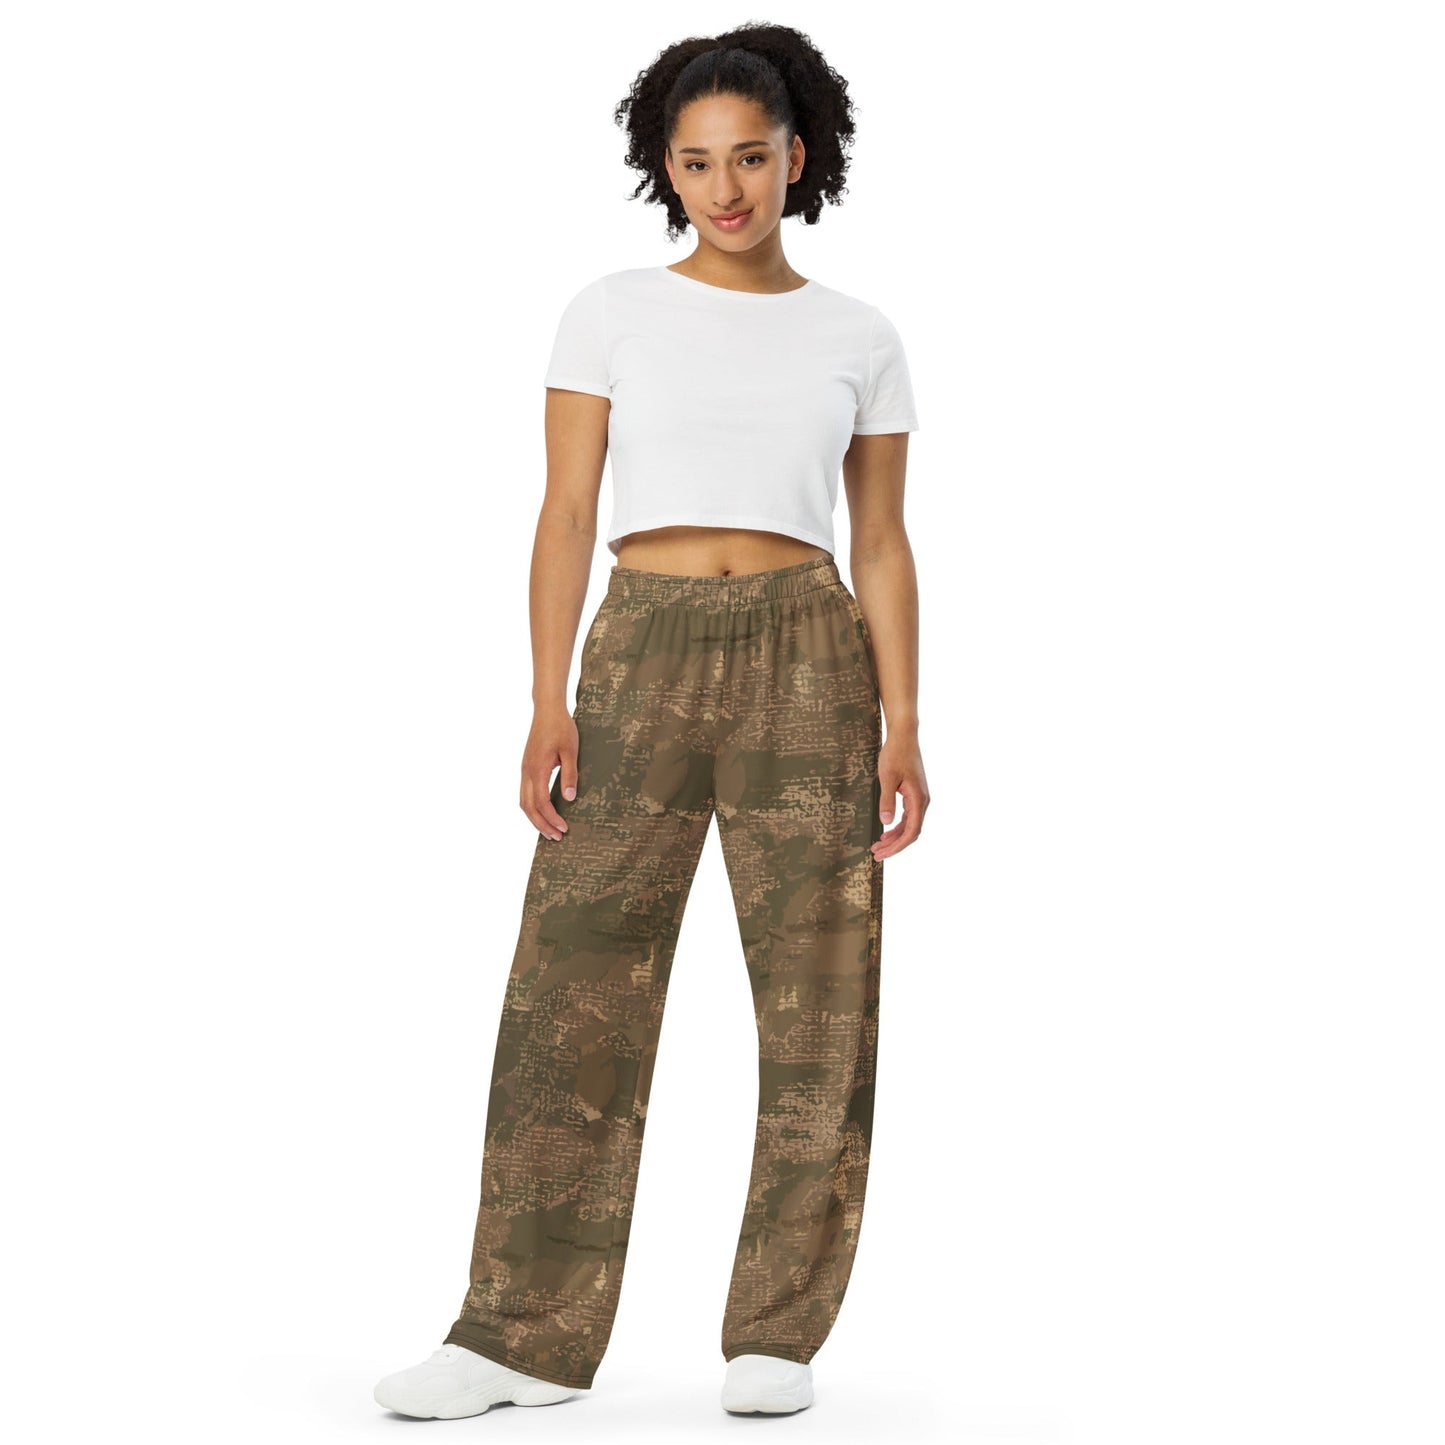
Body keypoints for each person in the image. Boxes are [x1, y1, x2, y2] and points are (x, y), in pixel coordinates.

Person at [374, 21, 930, 1420]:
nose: (723, 188)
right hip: (639, 648)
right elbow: (566, 511)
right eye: (695, 163)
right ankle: (517, 1332)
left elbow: (880, 541)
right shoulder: (610, 309)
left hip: (810, 655)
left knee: (819, 991)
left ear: (797, 157)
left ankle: (777, 1329)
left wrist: (904, 720)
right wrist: (545, 696)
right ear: (662, 169)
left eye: (749, 157)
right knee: (573, 981)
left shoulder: (859, 335)